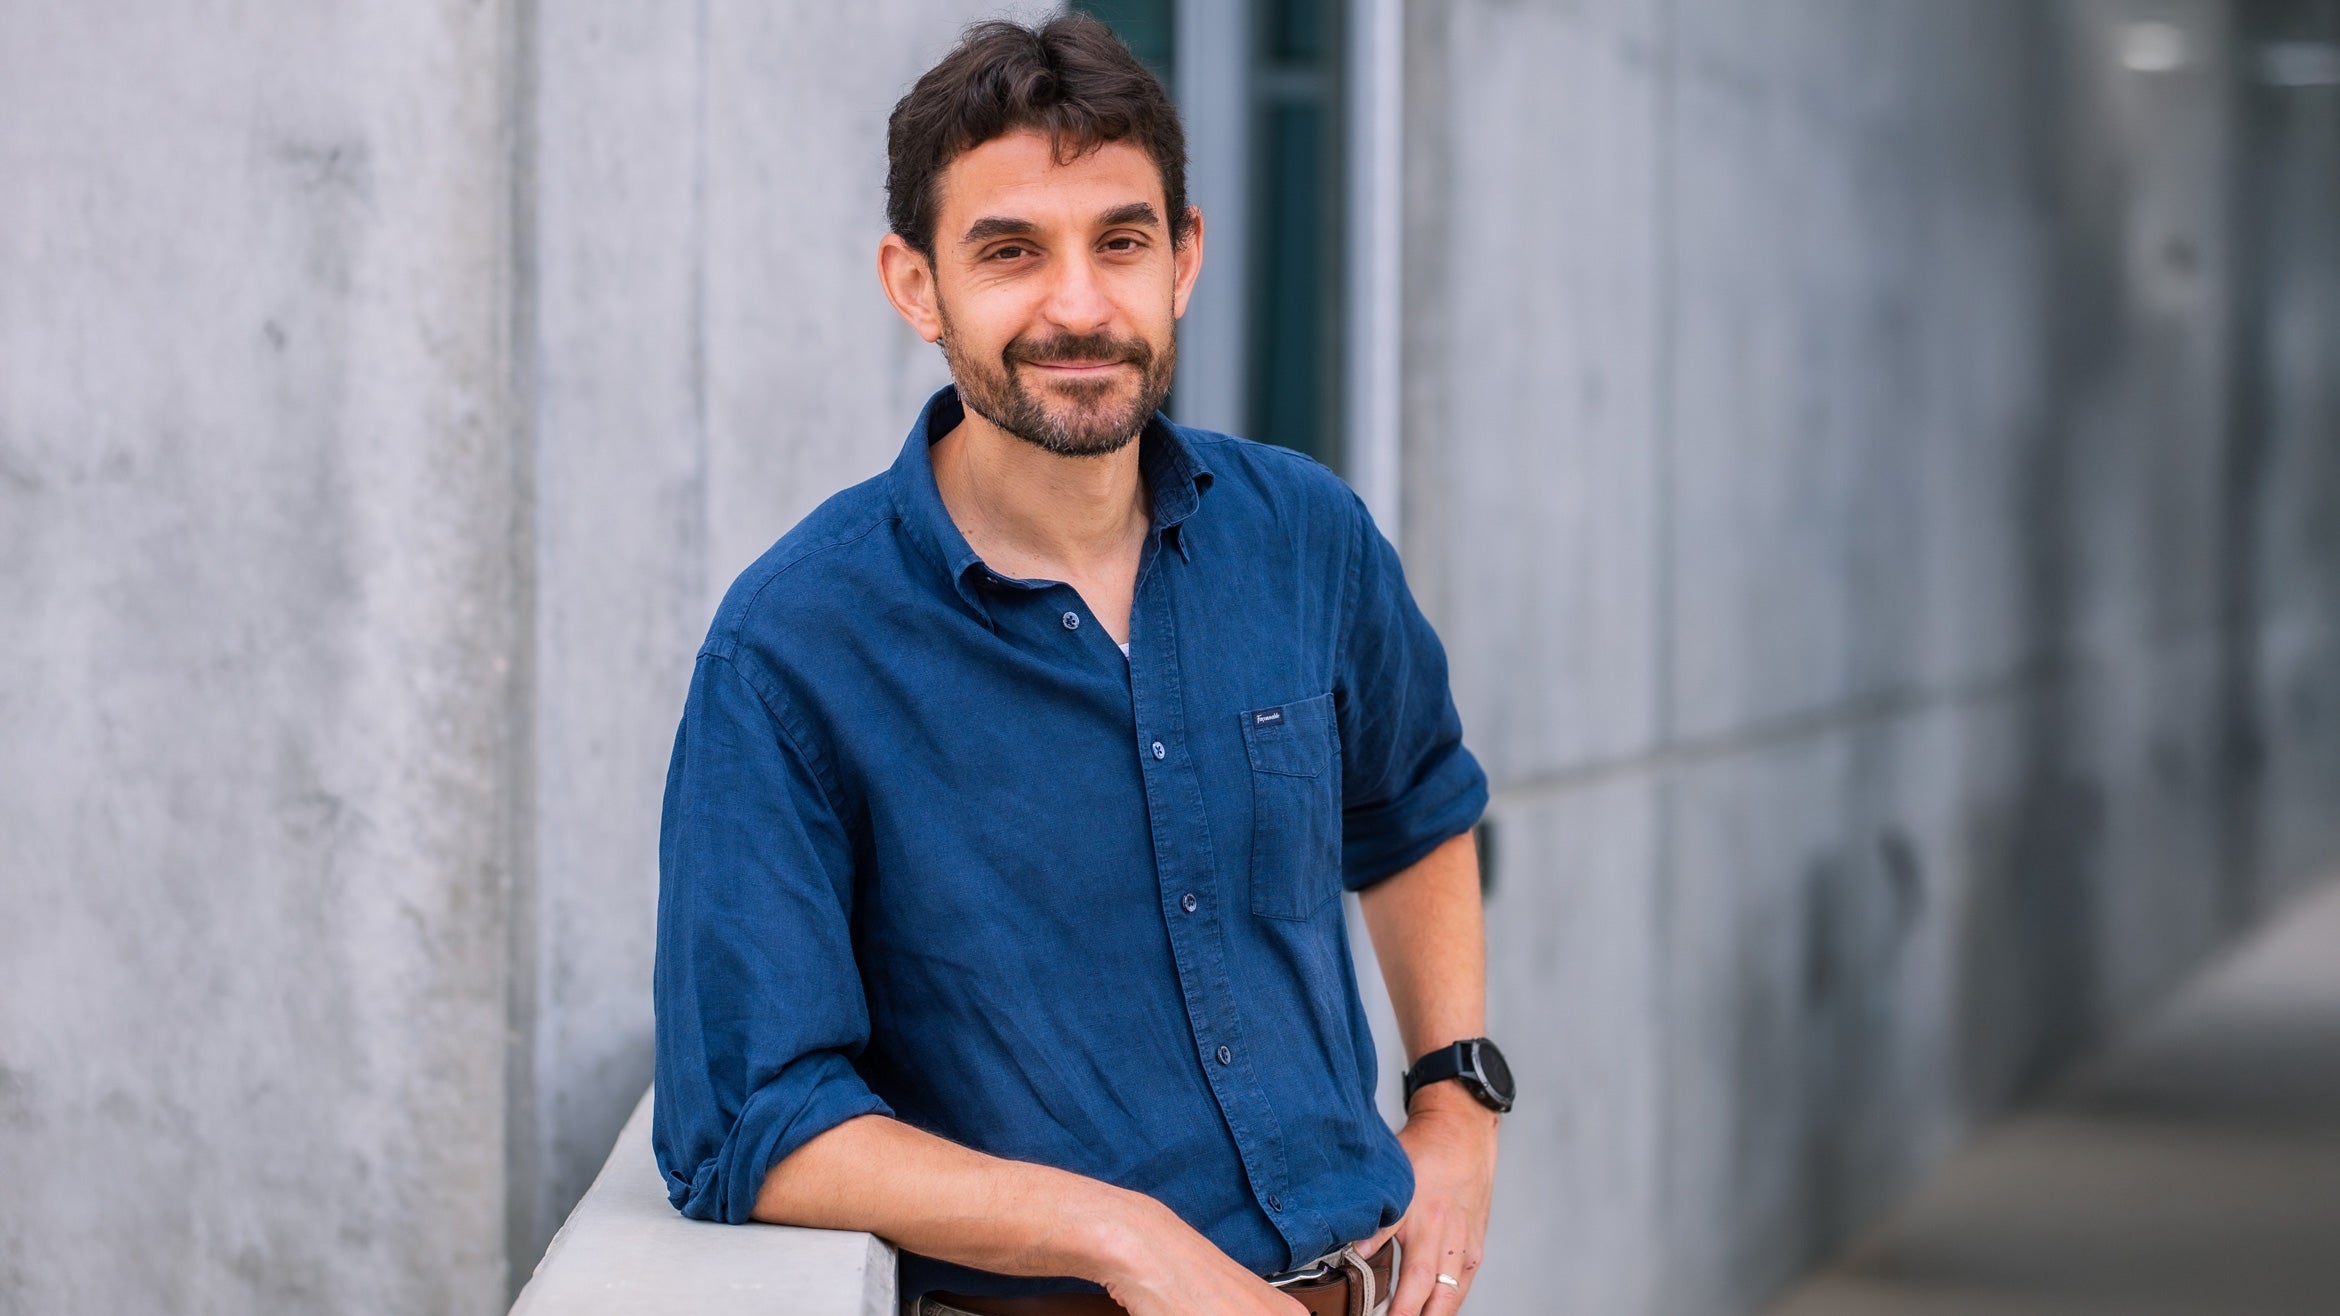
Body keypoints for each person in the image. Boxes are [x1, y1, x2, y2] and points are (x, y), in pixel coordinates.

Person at [652, 15, 1510, 1315]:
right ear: (914, 284)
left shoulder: (1305, 538)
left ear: (1186, 257)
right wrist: (1115, 1235)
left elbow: (1415, 809)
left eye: (1120, 241)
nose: (1077, 303)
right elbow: (750, 1123)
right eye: (1009, 251)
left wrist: (1454, 1093)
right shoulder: (793, 652)